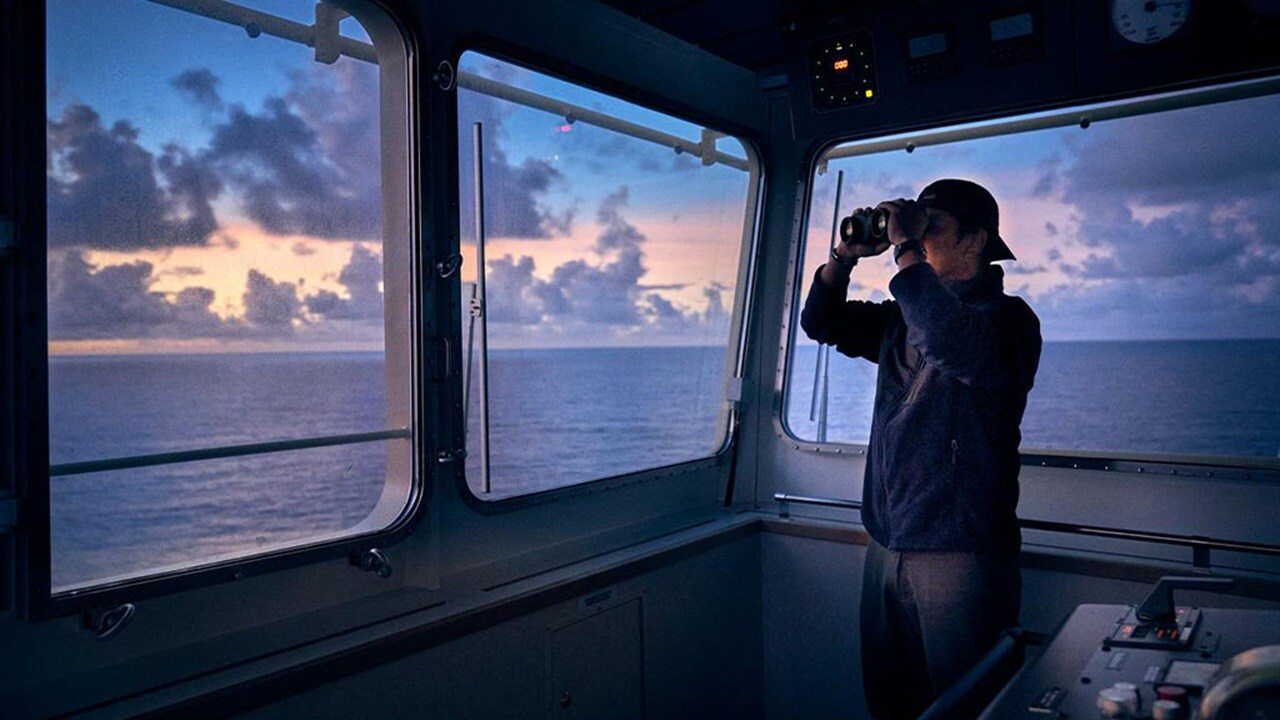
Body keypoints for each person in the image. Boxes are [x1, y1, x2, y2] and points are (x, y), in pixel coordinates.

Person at [800, 179, 1042, 720]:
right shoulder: (899, 319)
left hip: (962, 553)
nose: (916, 239)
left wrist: (907, 254)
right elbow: (820, 322)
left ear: (976, 240)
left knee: (970, 706)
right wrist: (844, 257)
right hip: (887, 544)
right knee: (892, 704)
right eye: (913, 228)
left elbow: (952, 342)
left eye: (931, 228)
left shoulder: (1010, 322)